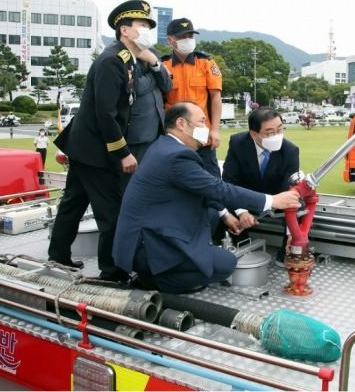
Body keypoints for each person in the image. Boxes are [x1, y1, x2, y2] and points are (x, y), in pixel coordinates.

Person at [113, 102, 301, 293]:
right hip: (148, 245)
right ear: (181, 124)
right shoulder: (176, 157)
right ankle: (158, 281)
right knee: (226, 264)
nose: (206, 128)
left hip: (149, 230)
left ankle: (181, 262)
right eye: (202, 122)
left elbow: (203, 189)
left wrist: (225, 215)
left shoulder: (164, 146)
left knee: (214, 213)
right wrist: (272, 200)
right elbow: (218, 188)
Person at [48, 0, 158, 281]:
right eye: (142, 25)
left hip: (86, 148)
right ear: (124, 29)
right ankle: (113, 272)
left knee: (73, 202)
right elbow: (106, 114)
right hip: (96, 151)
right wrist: (122, 153)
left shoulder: (126, 60)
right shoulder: (112, 61)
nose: (147, 30)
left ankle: (58, 257)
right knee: (112, 211)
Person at [221, 107, 300, 265]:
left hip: (277, 199)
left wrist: (293, 231)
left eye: (280, 129)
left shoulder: (290, 150)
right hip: (245, 197)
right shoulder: (238, 143)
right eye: (270, 132)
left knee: (300, 202)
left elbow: (290, 192)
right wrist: (242, 212)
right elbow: (229, 181)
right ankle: (240, 248)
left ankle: (286, 250)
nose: (276, 136)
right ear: (254, 134)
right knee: (224, 205)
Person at [162, 18, 223, 178]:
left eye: (190, 36)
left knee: (210, 177)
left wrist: (215, 130)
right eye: (182, 37)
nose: (187, 40)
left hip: (201, 131)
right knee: (175, 177)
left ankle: (213, 205)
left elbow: (216, 97)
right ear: (170, 40)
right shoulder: (163, 66)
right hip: (174, 133)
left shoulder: (206, 63)